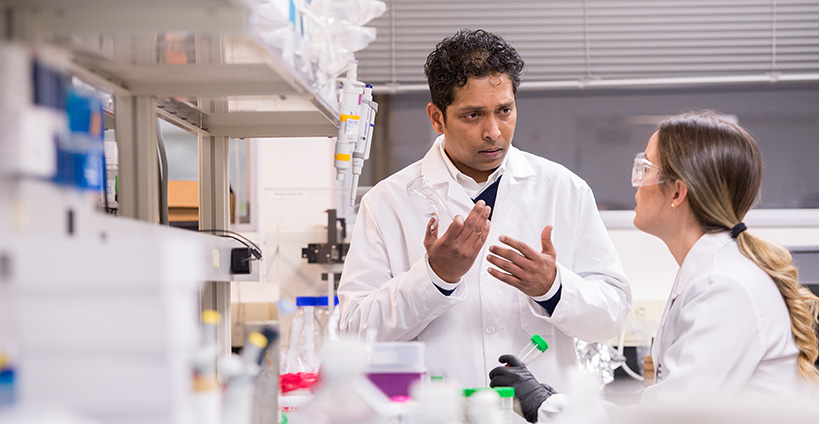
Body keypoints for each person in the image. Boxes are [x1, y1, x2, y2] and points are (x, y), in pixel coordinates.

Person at [337, 28, 632, 393]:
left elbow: (611, 317)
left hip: (536, 415)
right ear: (437, 118)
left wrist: (555, 288)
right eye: (473, 115)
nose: (494, 132)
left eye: (504, 111)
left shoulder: (564, 190)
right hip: (437, 415)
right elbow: (352, 332)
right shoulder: (388, 202)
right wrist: (433, 278)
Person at [490, 111, 819, 422]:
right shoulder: (714, 272)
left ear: (677, 192)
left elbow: (667, 418)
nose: (636, 182)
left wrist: (545, 405)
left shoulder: (726, 287)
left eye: (644, 168)